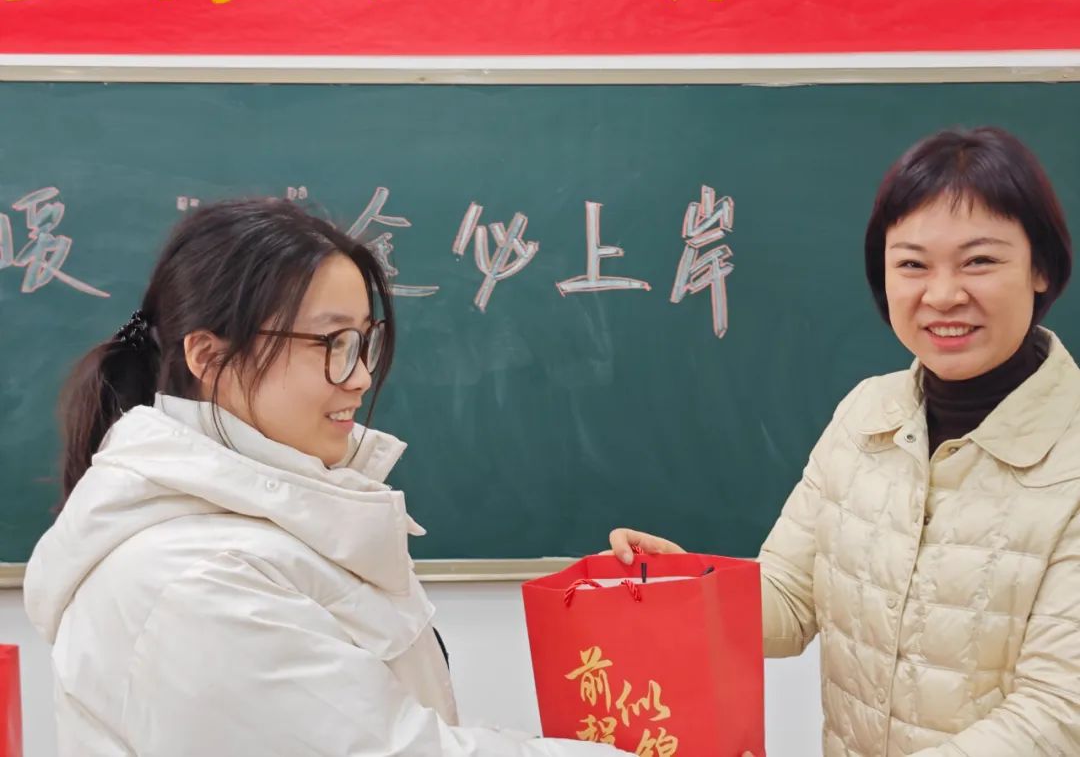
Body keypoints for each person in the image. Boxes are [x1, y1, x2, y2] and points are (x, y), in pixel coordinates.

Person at [23, 199, 627, 756]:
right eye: (332, 342)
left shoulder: (272, 524)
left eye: (363, 342)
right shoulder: (194, 580)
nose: (360, 377)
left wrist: (642, 603)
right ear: (208, 357)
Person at [610, 127, 1080, 756]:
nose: (943, 294)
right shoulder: (866, 414)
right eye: (912, 264)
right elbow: (789, 598)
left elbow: (1057, 713)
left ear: (1041, 267)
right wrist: (683, 587)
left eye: (979, 261)